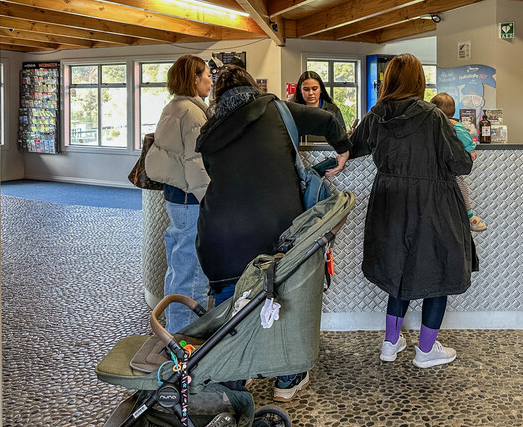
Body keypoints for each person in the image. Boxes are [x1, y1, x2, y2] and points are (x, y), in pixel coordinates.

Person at [195, 64, 350, 401]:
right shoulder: (275, 108)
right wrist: (342, 150)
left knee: (231, 307)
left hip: (220, 234)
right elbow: (327, 121)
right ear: (253, 87)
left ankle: (236, 377)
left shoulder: (209, 130)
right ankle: (287, 378)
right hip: (276, 227)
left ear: (217, 96)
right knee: (284, 298)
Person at [348, 54, 476, 369]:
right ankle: (426, 351)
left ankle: (390, 344)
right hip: (433, 204)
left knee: (398, 271)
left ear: (389, 80)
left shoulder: (376, 114)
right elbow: (461, 164)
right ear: (419, 80)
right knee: (438, 273)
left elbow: (352, 147)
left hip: (389, 203)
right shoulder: (433, 116)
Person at [144, 55, 212, 334]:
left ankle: (173, 326)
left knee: (178, 265)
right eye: (207, 75)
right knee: (192, 270)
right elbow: (196, 164)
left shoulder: (173, 107)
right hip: (191, 200)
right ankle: (185, 337)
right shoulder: (193, 113)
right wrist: (211, 200)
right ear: (195, 79)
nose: (210, 80)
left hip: (177, 198)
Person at [430, 92, 487, 232]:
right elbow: (467, 139)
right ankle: (469, 216)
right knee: (460, 184)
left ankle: (468, 216)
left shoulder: (432, 125)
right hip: (450, 166)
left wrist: (470, 149)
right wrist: (471, 149)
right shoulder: (456, 125)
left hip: (435, 166)